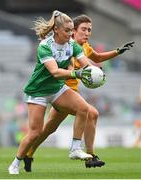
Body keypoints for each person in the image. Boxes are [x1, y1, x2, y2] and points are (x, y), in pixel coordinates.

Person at [22, 14, 135, 172]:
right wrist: (76, 71)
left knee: (48, 129)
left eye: (89, 30)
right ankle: (90, 156)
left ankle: (28, 153)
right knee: (91, 113)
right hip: (62, 92)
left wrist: (117, 52)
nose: (87, 33)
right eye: (84, 29)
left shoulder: (85, 46)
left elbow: (97, 57)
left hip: (70, 93)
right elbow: (66, 67)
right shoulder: (68, 46)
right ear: (73, 31)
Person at [8, 10, 97, 175]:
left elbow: (85, 64)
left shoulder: (72, 45)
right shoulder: (45, 46)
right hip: (39, 91)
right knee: (35, 133)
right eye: (67, 30)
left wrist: (95, 74)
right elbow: (55, 72)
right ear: (56, 29)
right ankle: (15, 162)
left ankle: (75, 149)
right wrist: (76, 73)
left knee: (84, 109)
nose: (71, 34)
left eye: (72, 30)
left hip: (57, 89)